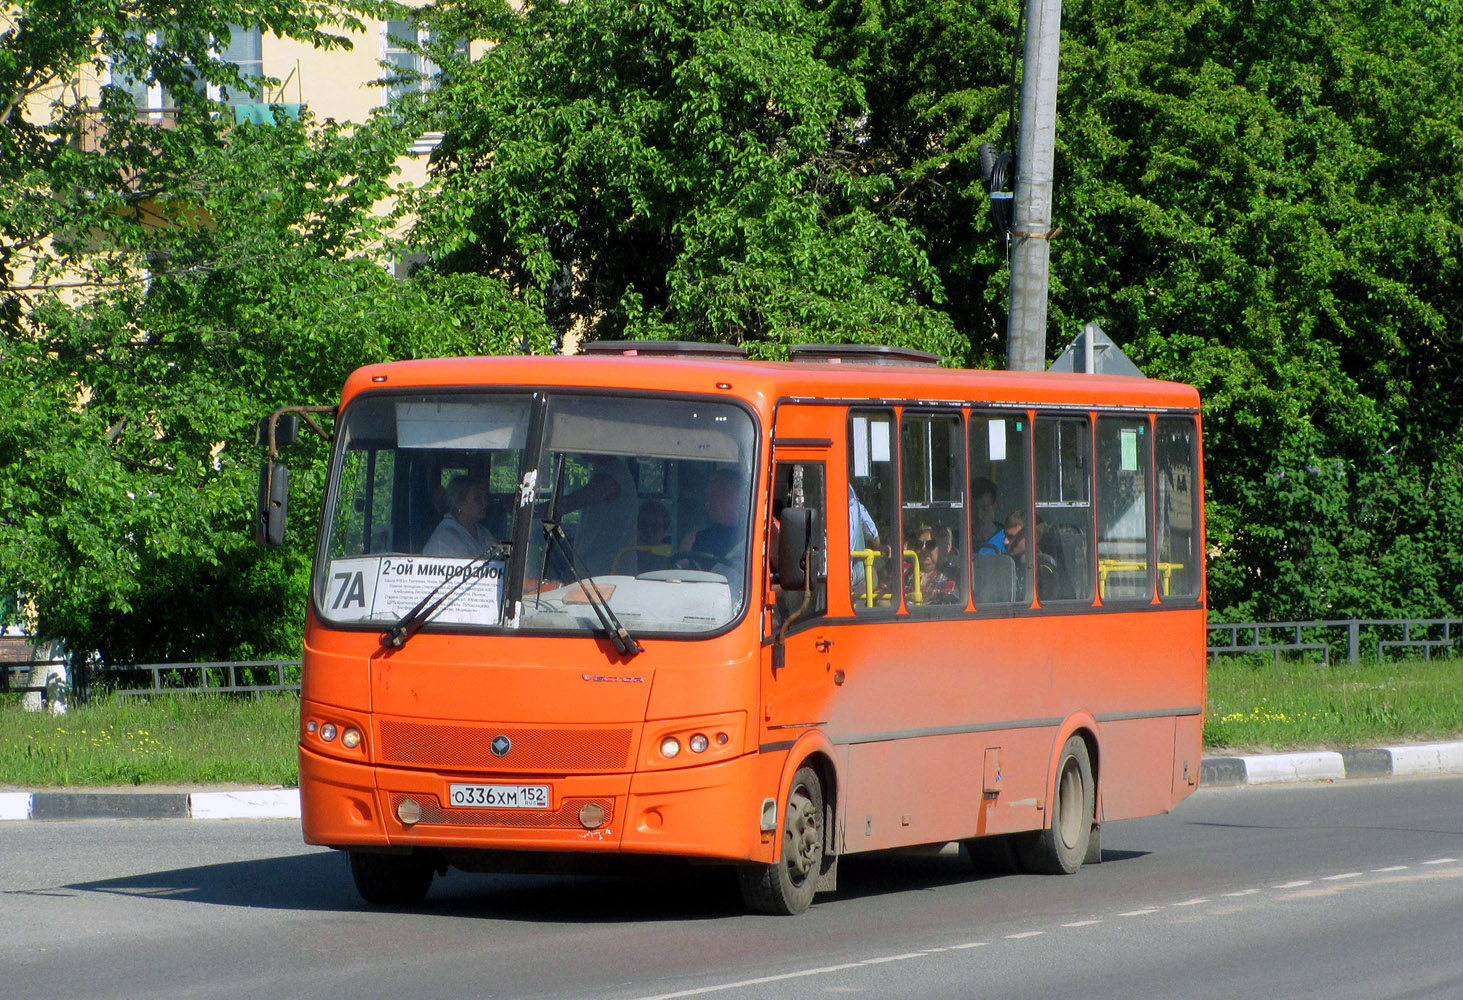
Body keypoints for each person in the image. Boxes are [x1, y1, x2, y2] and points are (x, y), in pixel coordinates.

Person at [559, 453, 638, 575]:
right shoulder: (608, 472)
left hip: (610, 575)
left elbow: (574, 501)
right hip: (596, 574)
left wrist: (531, 511)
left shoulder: (612, 477)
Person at [678, 468, 745, 568]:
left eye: (715, 496)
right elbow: (677, 567)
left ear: (735, 496)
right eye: (707, 496)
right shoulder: (696, 536)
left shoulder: (751, 535)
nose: (708, 503)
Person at [423, 475, 495, 557]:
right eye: (477, 498)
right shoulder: (444, 539)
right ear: (458, 503)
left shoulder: (484, 533)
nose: (485, 503)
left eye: (485, 497)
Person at [848, 484, 884, 603]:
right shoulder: (855, 503)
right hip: (854, 574)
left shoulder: (853, 502)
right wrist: (879, 547)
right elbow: (871, 531)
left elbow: (871, 531)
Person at [972, 478, 1005, 552]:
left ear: (994, 507)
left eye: (984, 509)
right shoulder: (960, 539)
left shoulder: (1006, 540)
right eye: (974, 510)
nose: (979, 516)